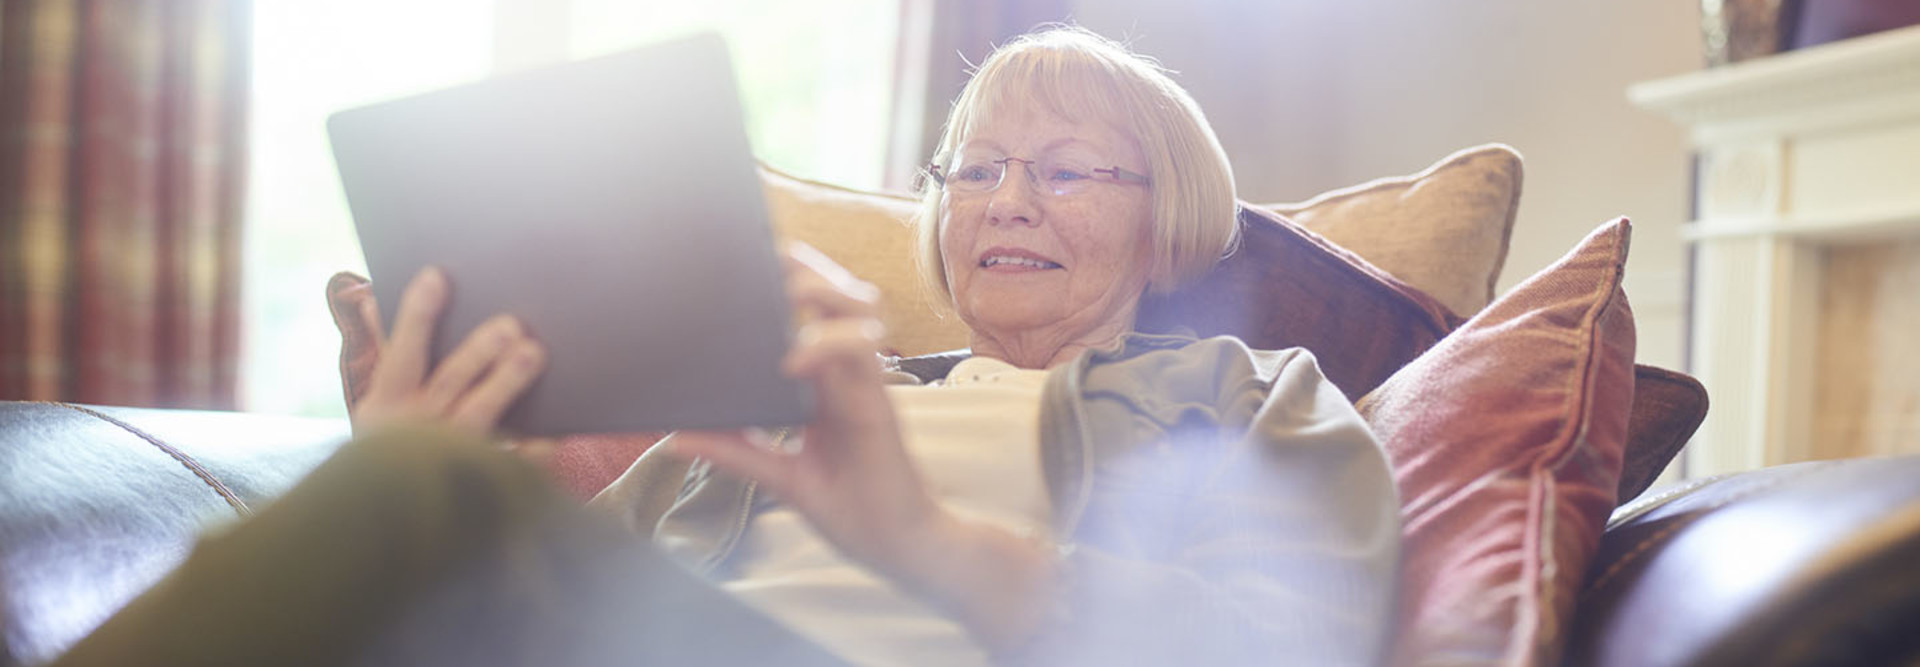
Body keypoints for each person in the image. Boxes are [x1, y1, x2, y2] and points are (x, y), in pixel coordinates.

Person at [53, 25, 1398, 667]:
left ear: (1170, 223)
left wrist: (923, 540)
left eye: (1062, 170)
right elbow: (560, 593)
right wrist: (424, 474)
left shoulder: (1250, 396)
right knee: (420, 498)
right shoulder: (816, 393)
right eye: (976, 168)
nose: (1003, 200)